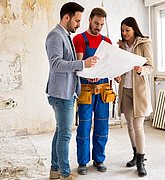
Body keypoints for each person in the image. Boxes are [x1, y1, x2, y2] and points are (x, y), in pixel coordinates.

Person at [45, 2, 98, 180]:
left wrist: (86, 71)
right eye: (77, 20)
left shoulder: (65, 34)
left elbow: (69, 65)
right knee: (65, 134)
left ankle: (55, 170)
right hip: (60, 94)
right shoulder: (55, 36)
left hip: (66, 92)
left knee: (60, 132)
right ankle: (65, 174)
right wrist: (83, 63)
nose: (78, 24)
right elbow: (56, 64)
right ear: (66, 17)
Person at [72, 7, 113, 175]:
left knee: (102, 126)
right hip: (86, 90)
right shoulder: (79, 39)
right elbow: (78, 66)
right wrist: (89, 76)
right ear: (89, 20)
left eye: (101, 24)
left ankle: (99, 159)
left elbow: (109, 65)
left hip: (103, 89)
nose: (98, 27)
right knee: (84, 126)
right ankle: (82, 162)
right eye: (96, 23)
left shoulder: (107, 42)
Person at [115, 17, 153, 177]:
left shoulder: (144, 44)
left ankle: (140, 161)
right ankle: (135, 153)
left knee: (138, 126)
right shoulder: (121, 46)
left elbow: (150, 66)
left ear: (134, 30)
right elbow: (117, 66)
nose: (124, 33)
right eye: (122, 30)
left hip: (140, 92)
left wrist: (141, 70)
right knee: (129, 125)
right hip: (126, 90)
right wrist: (117, 76)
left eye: (127, 30)